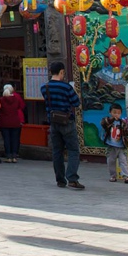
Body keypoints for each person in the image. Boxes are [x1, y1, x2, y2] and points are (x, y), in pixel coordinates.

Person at [41, 61, 84, 190]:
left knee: (57, 151)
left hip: (53, 122)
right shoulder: (66, 87)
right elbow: (76, 102)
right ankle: (72, 177)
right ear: (61, 72)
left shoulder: (44, 87)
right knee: (73, 150)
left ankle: (60, 180)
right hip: (67, 121)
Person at [100, 103, 128, 184]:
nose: (116, 114)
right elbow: (104, 124)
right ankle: (113, 176)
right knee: (111, 161)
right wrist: (112, 119)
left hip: (121, 146)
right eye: (114, 112)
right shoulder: (107, 120)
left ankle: (126, 176)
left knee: (123, 161)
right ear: (110, 112)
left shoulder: (122, 123)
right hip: (111, 146)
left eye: (118, 113)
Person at [0, 84, 25, 163]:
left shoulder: (1, 100)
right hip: (15, 121)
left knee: (6, 139)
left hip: (5, 122)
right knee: (15, 139)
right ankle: (14, 156)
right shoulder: (16, 99)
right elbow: (20, 107)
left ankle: (8, 156)